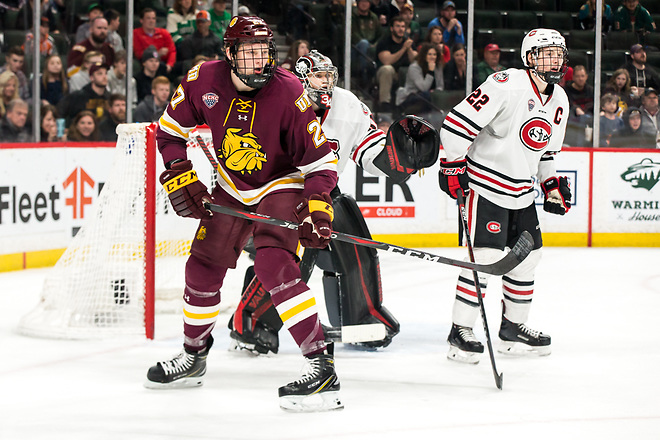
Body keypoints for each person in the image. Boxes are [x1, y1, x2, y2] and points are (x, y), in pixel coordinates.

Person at [145, 16, 342, 412]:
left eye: (265, 52)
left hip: (280, 182)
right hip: (232, 186)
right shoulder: (203, 80)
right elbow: (168, 133)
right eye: (249, 53)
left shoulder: (290, 92)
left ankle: (322, 368)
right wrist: (180, 176)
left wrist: (318, 211)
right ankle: (194, 355)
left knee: (274, 264)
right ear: (230, 53)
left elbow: (321, 162)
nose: (260, 62)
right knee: (201, 266)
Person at [227, 50, 439, 356]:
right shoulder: (275, 100)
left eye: (328, 76)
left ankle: (362, 314)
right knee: (294, 256)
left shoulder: (348, 104)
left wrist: (398, 159)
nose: (325, 83)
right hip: (279, 192)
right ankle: (253, 319)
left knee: (355, 238)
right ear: (301, 79)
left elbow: (368, 149)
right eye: (318, 76)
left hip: (325, 191)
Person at [438, 28, 571, 363]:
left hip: (522, 193)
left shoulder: (559, 101)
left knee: (529, 259)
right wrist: (452, 165)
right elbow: (455, 125)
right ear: (529, 57)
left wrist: (551, 184)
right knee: (483, 259)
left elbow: (547, 154)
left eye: (559, 53)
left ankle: (513, 328)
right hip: (486, 187)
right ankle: (460, 331)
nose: (554, 59)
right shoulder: (506, 83)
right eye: (546, 53)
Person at [376, 16, 417, 111]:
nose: (401, 29)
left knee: (415, 68)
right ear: (391, 28)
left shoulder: (408, 42)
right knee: (387, 69)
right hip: (388, 74)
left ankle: (412, 104)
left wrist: (409, 48)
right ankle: (384, 104)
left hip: (405, 74)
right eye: (398, 26)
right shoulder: (384, 42)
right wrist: (403, 49)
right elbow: (387, 61)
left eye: (403, 27)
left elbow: (415, 60)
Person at [396, 42, 444, 114]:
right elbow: (423, 88)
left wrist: (435, 92)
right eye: (429, 54)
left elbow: (440, 86)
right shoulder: (414, 67)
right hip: (411, 96)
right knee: (426, 96)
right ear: (424, 55)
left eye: (434, 54)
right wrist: (430, 72)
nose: (432, 57)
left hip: (428, 97)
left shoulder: (437, 66)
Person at [134, 8, 177, 74]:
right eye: (148, 18)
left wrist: (169, 65)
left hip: (165, 64)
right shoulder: (135, 33)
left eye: (153, 18)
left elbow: (172, 51)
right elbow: (139, 54)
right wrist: (157, 54)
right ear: (141, 20)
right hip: (146, 65)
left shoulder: (164, 33)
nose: (151, 21)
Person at [352, 0, 383, 88]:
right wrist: (367, 45)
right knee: (363, 43)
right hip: (354, 48)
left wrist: (375, 44)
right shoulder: (352, 16)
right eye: (362, 1)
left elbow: (380, 35)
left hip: (371, 47)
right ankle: (363, 75)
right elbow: (352, 34)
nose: (364, 4)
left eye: (367, 1)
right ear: (358, 3)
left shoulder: (374, 17)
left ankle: (372, 78)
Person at [564, 65, 594, 146]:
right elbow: (568, 106)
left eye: (582, 76)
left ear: (586, 77)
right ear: (573, 77)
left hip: (589, 118)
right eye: (577, 76)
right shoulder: (566, 90)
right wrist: (575, 109)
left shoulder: (591, 90)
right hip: (574, 120)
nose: (580, 79)